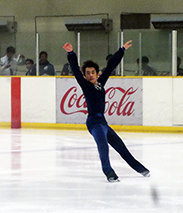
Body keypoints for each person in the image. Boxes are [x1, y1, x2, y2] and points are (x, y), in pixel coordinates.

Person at [62, 40, 150, 182]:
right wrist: (71, 53)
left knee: (121, 147)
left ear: (97, 74)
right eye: (87, 73)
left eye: (93, 72)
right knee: (103, 146)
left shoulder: (101, 83)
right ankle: (109, 173)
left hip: (102, 122)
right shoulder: (85, 85)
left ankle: (142, 170)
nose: (90, 75)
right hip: (93, 123)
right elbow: (76, 70)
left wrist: (122, 50)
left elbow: (111, 65)